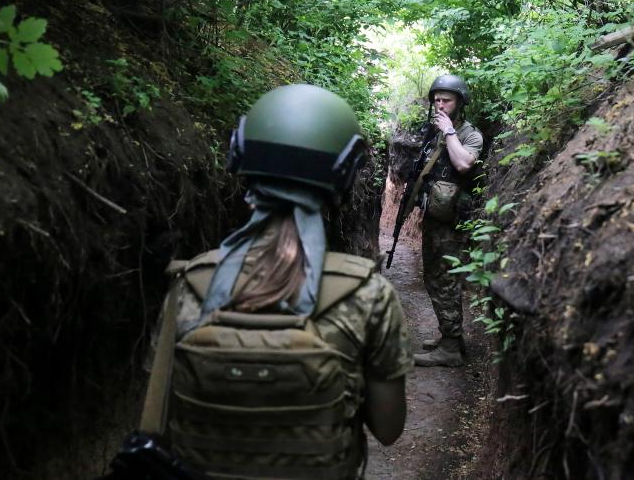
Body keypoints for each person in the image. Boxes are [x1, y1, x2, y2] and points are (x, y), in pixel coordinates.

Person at [143, 84, 412, 479]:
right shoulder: (367, 295)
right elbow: (388, 429)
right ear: (344, 177)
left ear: (243, 159)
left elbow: (159, 421)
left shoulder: (190, 284)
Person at [413, 74, 484, 368]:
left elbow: (464, 164)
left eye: (447, 100)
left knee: (446, 279)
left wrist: (450, 133)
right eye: (437, 100)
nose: (441, 105)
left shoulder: (468, 134)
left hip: (452, 222)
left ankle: (451, 348)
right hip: (434, 217)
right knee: (433, 276)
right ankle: (449, 335)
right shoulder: (435, 131)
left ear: (460, 103)